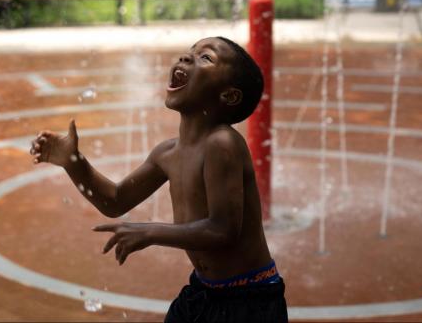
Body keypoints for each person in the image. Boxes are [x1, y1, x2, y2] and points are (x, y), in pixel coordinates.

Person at [30, 37, 288, 322]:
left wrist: (150, 232)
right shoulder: (168, 152)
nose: (186, 58)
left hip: (250, 300)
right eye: (190, 51)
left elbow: (223, 229)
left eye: (206, 58)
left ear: (229, 96)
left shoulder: (222, 143)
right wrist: (73, 163)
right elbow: (115, 200)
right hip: (203, 290)